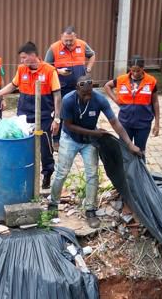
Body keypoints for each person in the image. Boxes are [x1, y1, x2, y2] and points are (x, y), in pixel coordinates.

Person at [48, 76, 142, 228]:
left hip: (89, 142)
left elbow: (115, 122)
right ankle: (53, 204)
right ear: (77, 90)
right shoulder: (68, 100)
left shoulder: (99, 99)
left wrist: (129, 144)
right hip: (70, 139)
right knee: (62, 172)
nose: (87, 96)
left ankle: (90, 209)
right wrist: (94, 133)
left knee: (92, 174)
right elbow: (69, 126)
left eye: (89, 93)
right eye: (84, 94)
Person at [0, 41, 61, 189]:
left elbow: (57, 96)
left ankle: (47, 174)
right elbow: (13, 85)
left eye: (23, 58)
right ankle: (24, 174)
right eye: (21, 58)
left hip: (44, 117)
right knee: (23, 144)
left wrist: (57, 119)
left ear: (33, 56)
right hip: (24, 116)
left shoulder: (49, 71)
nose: (21, 61)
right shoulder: (22, 70)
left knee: (45, 147)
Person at [104, 58, 159, 153]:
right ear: (129, 68)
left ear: (143, 68)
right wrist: (116, 99)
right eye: (133, 70)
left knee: (140, 151)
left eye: (138, 70)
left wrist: (157, 123)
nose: (135, 73)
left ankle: (139, 168)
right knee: (124, 151)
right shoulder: (121, 79)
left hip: (143, 124)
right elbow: (107, 86)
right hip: (125, 123)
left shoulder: (151, 81)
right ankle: (125, 168)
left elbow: (155, 102)